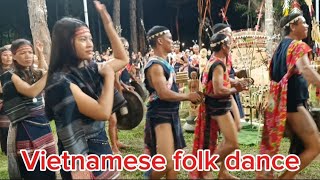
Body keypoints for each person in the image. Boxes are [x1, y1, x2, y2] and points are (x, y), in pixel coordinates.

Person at [44, 0, 129, 179]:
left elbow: (122, 59)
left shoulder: (89, 68)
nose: (90, 44)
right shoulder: (61, 81)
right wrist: (108, 77)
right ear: (66, 44)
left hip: (99, 141)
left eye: (90, 38)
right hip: (80, 152)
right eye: (83, 39)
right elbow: (103, 112)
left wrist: (107, 23)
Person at [259, 13, 320, 179]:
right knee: (315, 146)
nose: (307, 26)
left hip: (281, 105)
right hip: (293, 105)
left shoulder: (280, 48)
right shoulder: (298, 46)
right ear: (293, 26)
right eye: (304, 22)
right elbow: (306, 70)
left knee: (298, 146)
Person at [143, 25, 202, 179]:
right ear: (160, 41)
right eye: (170, 38)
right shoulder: (155, 66)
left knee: (174, 163)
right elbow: (163, 93)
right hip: (161, 115)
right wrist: (187, 96)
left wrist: (181, 92)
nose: (173, 42)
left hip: (170, 113)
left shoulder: (164, 62)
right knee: (166, 164)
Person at [190, 33, 245, 179]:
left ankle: (219, 172)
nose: (230, 47)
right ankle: (205, 166)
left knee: (224, 141)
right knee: (232, 144)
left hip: (216, 105)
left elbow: (222, 80)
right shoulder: (218, 64)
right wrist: (236, 89)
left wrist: (236, 82)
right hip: (219, 107)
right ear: (223, 47)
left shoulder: (214, 60)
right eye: (228, 44)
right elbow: (219, 89)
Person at [0, 39, 55, 179]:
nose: (28, 56)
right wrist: (50, 72)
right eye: (23, 53)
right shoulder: (9, 75)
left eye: (30, 52)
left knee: (48, 167)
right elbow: (31, 92)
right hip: (25, 126)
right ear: (14, 56)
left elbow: (43, 72)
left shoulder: (31, 72)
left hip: (42, 123)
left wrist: (41, 54)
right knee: (33, 169)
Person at [0, 46, 13, 155]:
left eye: (10, 55)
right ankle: (6, 149)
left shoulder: (17, 70)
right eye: (5, 55)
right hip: (3, 103)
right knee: (4, 128)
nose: (8, 58)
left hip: (15, 101)